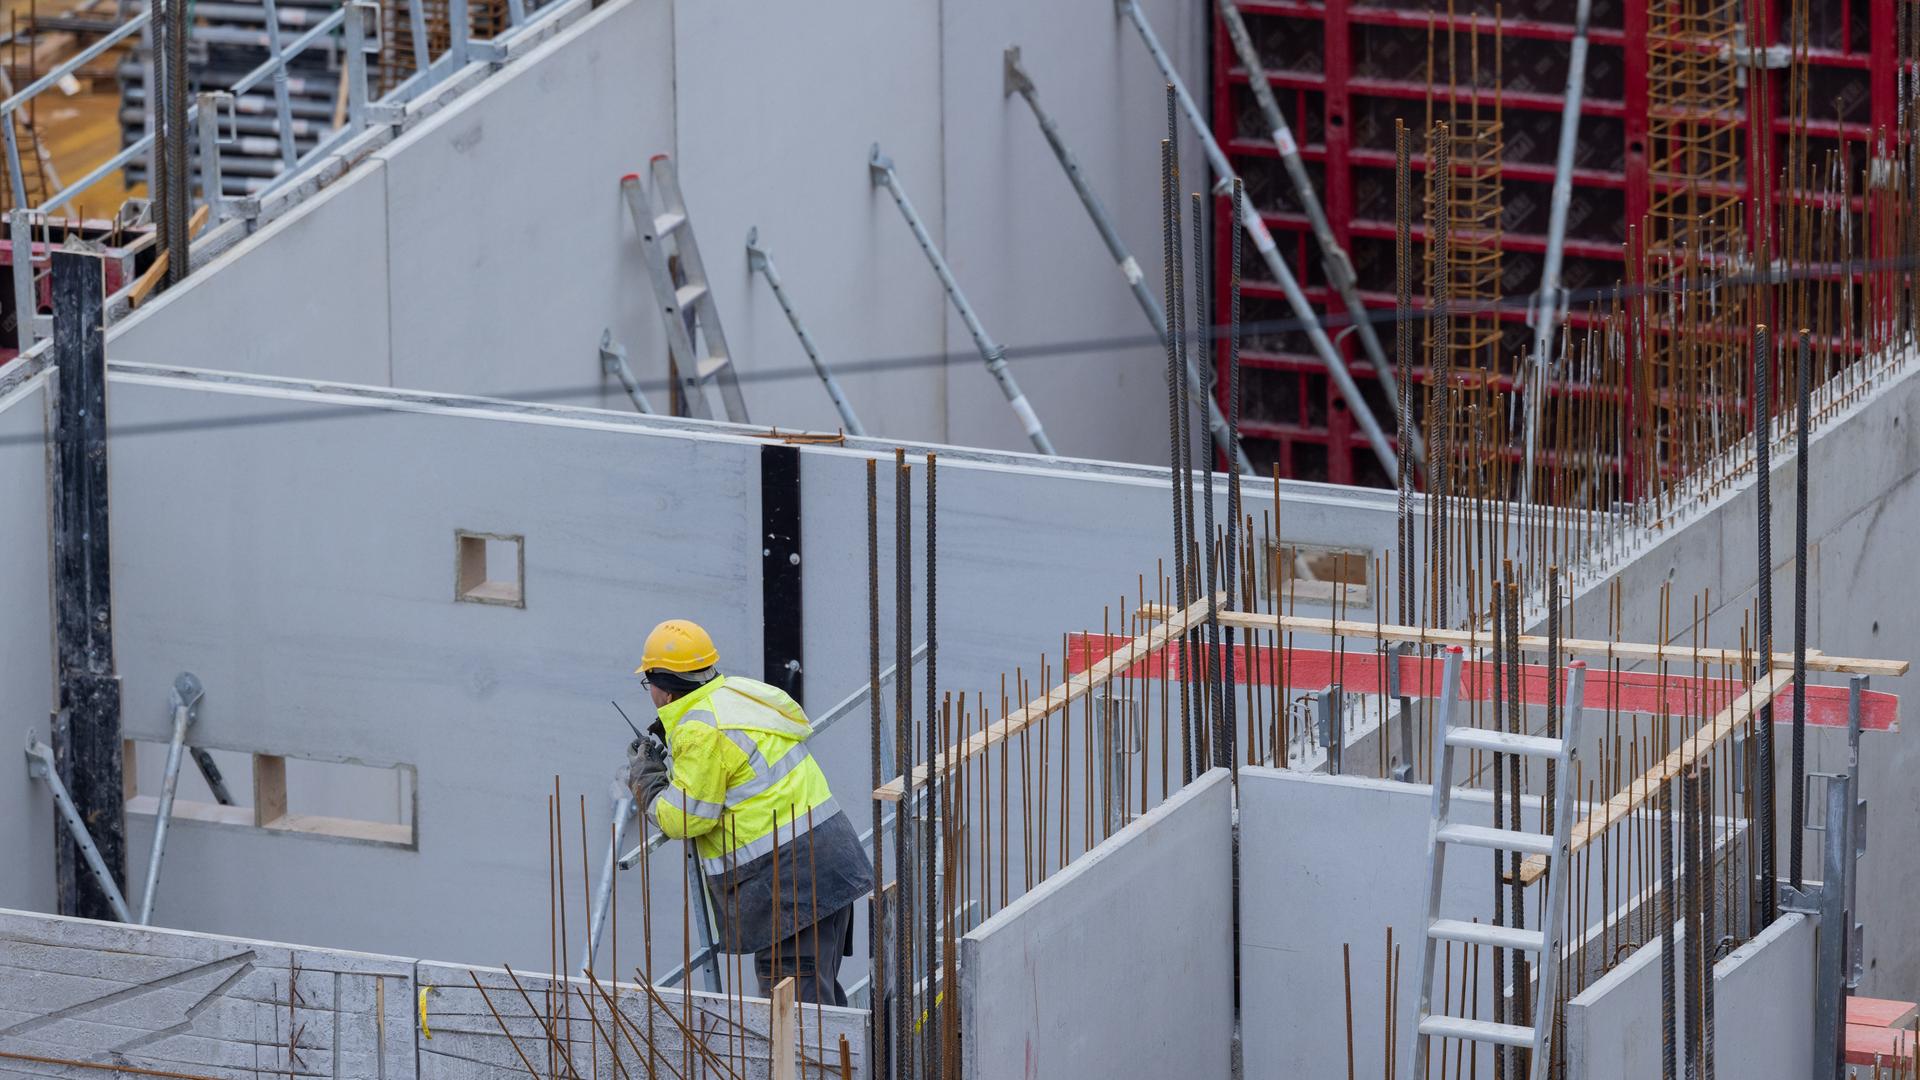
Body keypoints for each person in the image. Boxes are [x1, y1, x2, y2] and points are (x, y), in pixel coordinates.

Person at [628, 618, 873, 1005]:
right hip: (827, 863)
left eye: (649, 683)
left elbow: (684, 818)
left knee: (796, 1020)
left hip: (789, 886)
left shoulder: (699, 730)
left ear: (664, 690)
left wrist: (648, 780)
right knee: (822, 1008)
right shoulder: (738, 696)